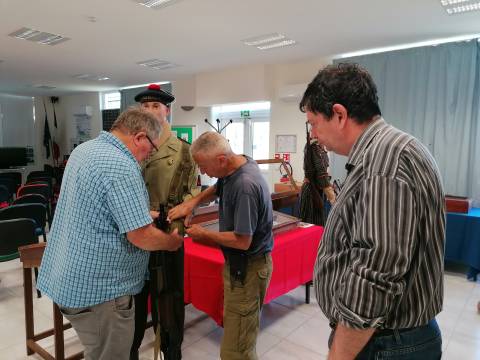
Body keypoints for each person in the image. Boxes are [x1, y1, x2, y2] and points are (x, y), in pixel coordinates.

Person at [300, 63, 445, 359]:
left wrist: (339, 354)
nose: (313, 135)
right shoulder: (389, 150)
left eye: (313, 123)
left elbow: (375, 274)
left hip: (387, 343)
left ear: (339, 115)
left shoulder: (384, 162)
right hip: (390, 338)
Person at [37, 108, 184, 360]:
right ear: (139, 137)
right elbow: (141, 237)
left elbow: (95, 206)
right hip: (102, 293)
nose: (149, 155)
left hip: (70, 280)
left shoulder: (86, 150)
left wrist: (139, 213)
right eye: (151, 147)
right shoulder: (121, 165)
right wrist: (171, 243)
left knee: (97, 352)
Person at [168, 131, 273, 360]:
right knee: (239, 334)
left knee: (236, 350)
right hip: (239, 267)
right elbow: (218, 186)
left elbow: (243, 241)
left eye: (204, 166)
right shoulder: (238, 163)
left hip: (249, 268)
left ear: (221, 160)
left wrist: (204, 234)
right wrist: (193, 203)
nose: (203, 172)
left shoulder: (245, 186)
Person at [130, 84, 199, 360]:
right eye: (145, 107)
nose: (150, 111)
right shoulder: (132, 146)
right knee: (134, 296)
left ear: (167, 111)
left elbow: (190, 196)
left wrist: (175, 234)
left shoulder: (183, 151)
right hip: (134, 233)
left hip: (166, 232)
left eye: (155, 106)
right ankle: (131, 348)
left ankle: (170, 350)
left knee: (168, 298)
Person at [299, 123, 335, 226]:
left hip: (318, 190)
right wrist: (332, 198)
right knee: (310, 224)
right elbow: (321, 173)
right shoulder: (313, 147)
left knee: (318, 223)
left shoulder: (321, 148)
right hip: (311, 191)